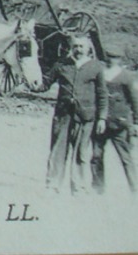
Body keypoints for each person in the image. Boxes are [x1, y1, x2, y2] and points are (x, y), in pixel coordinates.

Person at [45, 35, 109, 194]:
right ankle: (53, 184)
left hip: (86, 116)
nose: (78, 50)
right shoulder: (61, 65)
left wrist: (101, 118)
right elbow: (45, 83)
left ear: (88, 49)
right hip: (63, 115)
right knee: (57, 151)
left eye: (81, 47)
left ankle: (78, 186)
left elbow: (102, 94)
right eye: (76, 46)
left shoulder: (96, 67)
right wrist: (31, 81)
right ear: (71, 48)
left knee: (81, 153)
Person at [92, 61, 138, 193]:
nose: (111, 60)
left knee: (125, 157)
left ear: (119, 59)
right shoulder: (100, 73)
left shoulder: (125, 76)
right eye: (109, 57)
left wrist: (137, 122)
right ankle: (98, 189)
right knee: (96, 156)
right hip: (101, 123)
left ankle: (134, 189)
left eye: (114, 57)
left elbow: (134, 100)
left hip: (119, 123)